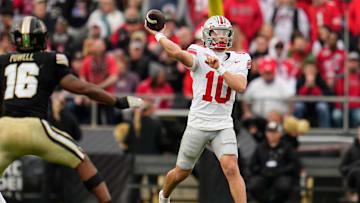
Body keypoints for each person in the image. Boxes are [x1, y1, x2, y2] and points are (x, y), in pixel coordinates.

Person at [0, 16, 143, 203]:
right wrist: (117, 101)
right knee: (82, 160)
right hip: (34, 128)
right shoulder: (51, 59)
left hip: (4, 129)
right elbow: (84, 88)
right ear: (42, 38)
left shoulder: (3, 61)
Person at [145, 15, 249, 203]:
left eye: (225, 33)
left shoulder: (240, 59)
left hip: (222, 124)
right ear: (206, 35)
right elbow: (177, 53)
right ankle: (164, 196)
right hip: (198, 124)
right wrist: (159, 36)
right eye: (216, 33)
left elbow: (241, 86)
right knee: (181, 172)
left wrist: (220, 69)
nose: (221, 37)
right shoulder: (198, 53)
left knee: (232, 168)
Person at [248, 121, 301, 203]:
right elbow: (253, 164)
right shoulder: (260, 147)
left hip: (281, 175)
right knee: (254, 184)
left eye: (274, 132)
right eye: (269, 132)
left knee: (284, 185)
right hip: (263, 175)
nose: (272, 134)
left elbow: (294, 163)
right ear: (266, 133)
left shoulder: (287, 146)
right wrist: (261, 171)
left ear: (280, 134)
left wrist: (282, 170)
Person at [340, 126, 360, 201]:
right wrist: (356, 165)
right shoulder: (351, 150)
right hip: (353, 181)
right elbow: (342, 169)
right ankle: (355, 195)